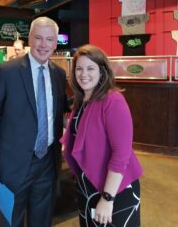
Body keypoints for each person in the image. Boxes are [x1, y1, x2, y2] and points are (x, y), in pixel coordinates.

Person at [0, 16, 68, 227]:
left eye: (49, 39)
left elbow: (59, 111)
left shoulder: (59, 74)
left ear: (56, 43)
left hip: (47, 163)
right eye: (38, 38)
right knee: (12, 221)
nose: (43, 45)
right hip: (13, 165)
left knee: (42, 220)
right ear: (30, 39)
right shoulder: (6, 71)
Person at [60, 44, 143, 227]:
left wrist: (107, 198)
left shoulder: (112, 100)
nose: (84, 74)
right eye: (79, 69)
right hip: (87, 188)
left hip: (115, 191)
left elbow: (121, 154)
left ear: (102, 71)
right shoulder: (81, 101)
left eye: (91, 68)